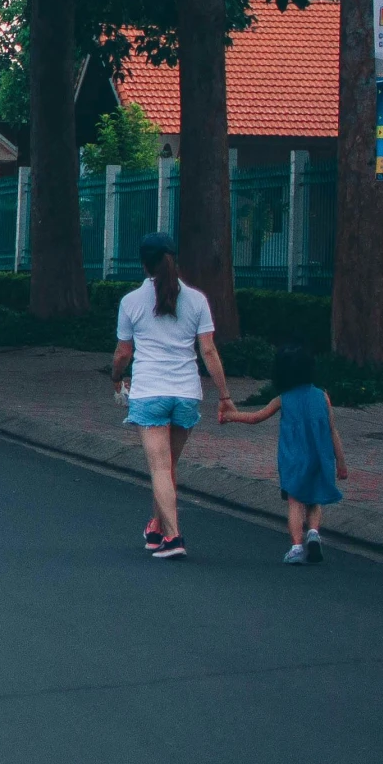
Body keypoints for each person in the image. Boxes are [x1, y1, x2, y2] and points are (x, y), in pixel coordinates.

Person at [110, 232, 235, 561]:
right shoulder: (196, 300)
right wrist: (224, 395)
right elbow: (208, 350)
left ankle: (174, 538)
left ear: (143, 263)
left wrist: (116, 378)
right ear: (172, 259)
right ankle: (155, 528)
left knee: (160, 469)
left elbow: (123, 353)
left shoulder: (131, 302)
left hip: (149, 392)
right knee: (167, 467)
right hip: (186, 394)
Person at [221, 344, 347, 564]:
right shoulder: (322, 396)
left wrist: (231, 416)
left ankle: (297, 547)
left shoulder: (284, 398)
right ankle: (314, 533)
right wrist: (341, 462)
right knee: (314, 500)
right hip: (319, 456)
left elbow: (256, 417)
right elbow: (332, 430)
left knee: (295, 502)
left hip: (294, 459)